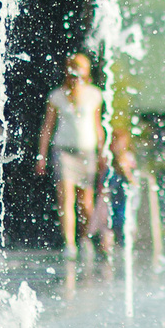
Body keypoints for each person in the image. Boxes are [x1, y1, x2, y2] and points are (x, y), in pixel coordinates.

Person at [35, 54, 105, 255]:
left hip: (86, 152)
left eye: (80, 69)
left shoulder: (94, 95)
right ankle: (69, 243)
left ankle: (85, 238)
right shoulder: (57, 96)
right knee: (65, 198)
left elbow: (97, 126)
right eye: (73, 68)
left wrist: (102, 152)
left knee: (86, 202)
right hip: (63, 151)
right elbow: (47, 128)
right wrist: (42, 155)